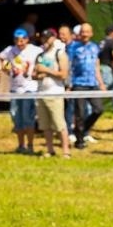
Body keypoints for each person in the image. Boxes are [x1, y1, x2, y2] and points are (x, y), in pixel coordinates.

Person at [1, 27, 41, 155]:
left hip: (30, 88)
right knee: (16, 117)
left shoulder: (35, 50)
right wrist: (7, 68)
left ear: (27, 39)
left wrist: (36, 71)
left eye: (22, 39)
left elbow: (44, 58)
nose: (20, 42)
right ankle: (20, 145)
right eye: (17, 40)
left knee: (28, 118)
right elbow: (1, 59)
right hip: (15, 89)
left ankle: (30, 145)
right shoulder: (9, 50)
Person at [33, 28, 72, 158]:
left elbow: (64, 74)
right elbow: (34, 74)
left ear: (53, 38)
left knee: (59, 123)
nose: (45, 40)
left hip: (55, 93)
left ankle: (66, 151)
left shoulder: (60, 54)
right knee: (45, 125)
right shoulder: (40, 55)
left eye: (48, 38)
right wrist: (38, 74)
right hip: (41, 92)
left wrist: (47, 70)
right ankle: (50, 149)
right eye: (43, 38)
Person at [66, 22, 102, 147]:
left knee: (98, 109)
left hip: (92, 83)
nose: (85, 34)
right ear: (79, 34)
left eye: (87, 32)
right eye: (83, 32)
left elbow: (96, 65)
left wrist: (101, 83)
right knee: (79, 113)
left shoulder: (95, 47)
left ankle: (81, 130)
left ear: (91, 33)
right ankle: (80, 140)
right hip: (78, 83)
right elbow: (69, 66)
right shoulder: (73, 47)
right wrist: (69, 84)